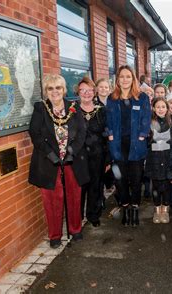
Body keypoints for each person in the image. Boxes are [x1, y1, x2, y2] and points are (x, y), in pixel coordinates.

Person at [28, 74, 88, 248]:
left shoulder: (73, 108)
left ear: (64, 89)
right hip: (49, 163)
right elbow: (35, 134)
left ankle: (75, 230)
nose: (54, 92)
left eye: (58, 88)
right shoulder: (41, 108)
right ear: (46, 91)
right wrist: (51, 155)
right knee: (52, 200)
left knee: (74, 196)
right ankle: (55, 235)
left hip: (72, 161)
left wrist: (71, 152)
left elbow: (82, 133)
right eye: (50, 88)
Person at [106, 65, 151, 227]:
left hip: (136, 145)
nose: (125, 80)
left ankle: (135, 208)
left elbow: (146, 118)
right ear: (117, 79)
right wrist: (110, 133)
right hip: (117, 144)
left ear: (133, 79)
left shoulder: (142, 98)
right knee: (120, 179)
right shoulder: (112, 98)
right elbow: (108, 119)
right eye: (122, 76)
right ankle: (125, 207)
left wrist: (142, 135)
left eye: (128, 76)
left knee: (136, 179)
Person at [77, 77, 108, 228]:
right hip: (78, 157)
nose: (87, 93)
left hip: (98, 155)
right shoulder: (72, 110)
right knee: (80, 187)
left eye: (89, 90)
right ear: (78, 92)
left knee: (96, 185)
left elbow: (108, 135)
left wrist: (108, 159)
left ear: (94, 92)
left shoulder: (101, 110)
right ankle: (77, 217)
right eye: (83, 90)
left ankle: (93, 215)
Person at [145, 98, 172, 224]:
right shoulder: (150, 122)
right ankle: (157, 209)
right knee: (156, 186)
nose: (160, 109)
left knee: (167, 186)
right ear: (153, 108)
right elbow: (147, 141)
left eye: (163, 107)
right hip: (154, 159)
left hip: (167, 158)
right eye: (158, 107)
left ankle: (165, 209)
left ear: (167, 108)